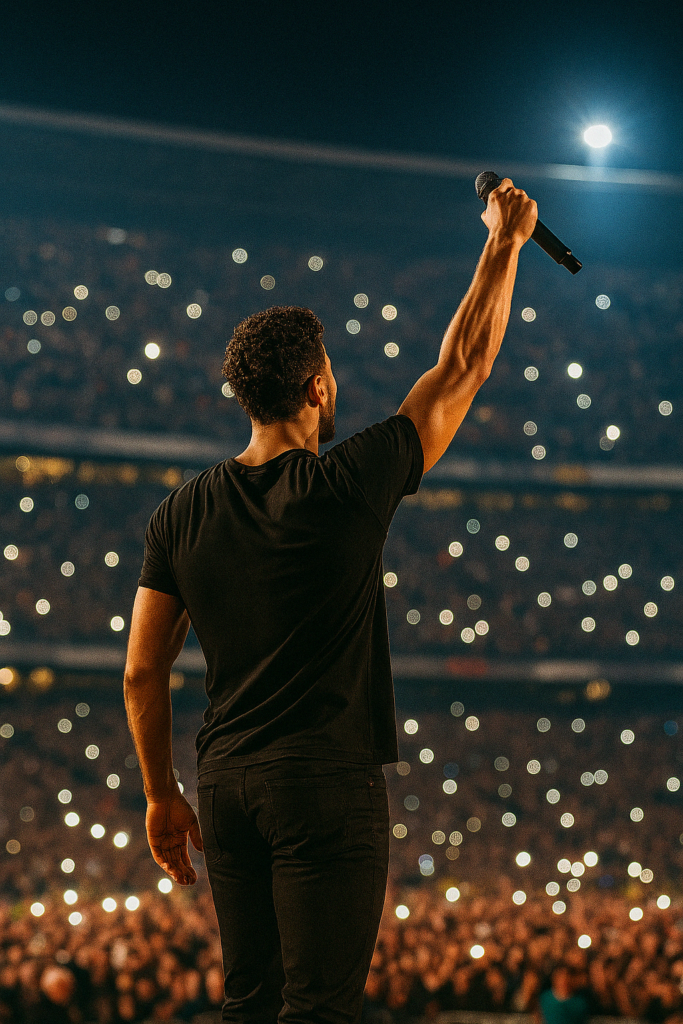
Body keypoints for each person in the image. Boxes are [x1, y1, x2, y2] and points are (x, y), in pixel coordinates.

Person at [123, 178, 537, 1024]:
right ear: (316, 389)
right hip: (322, 780)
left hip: (225, 785)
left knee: (251, 1001)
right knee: (321, 1008)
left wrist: (162, 794)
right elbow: (463, 365)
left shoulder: (178, 513)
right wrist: (504, 243)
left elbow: (140, 673)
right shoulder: (348, 483)